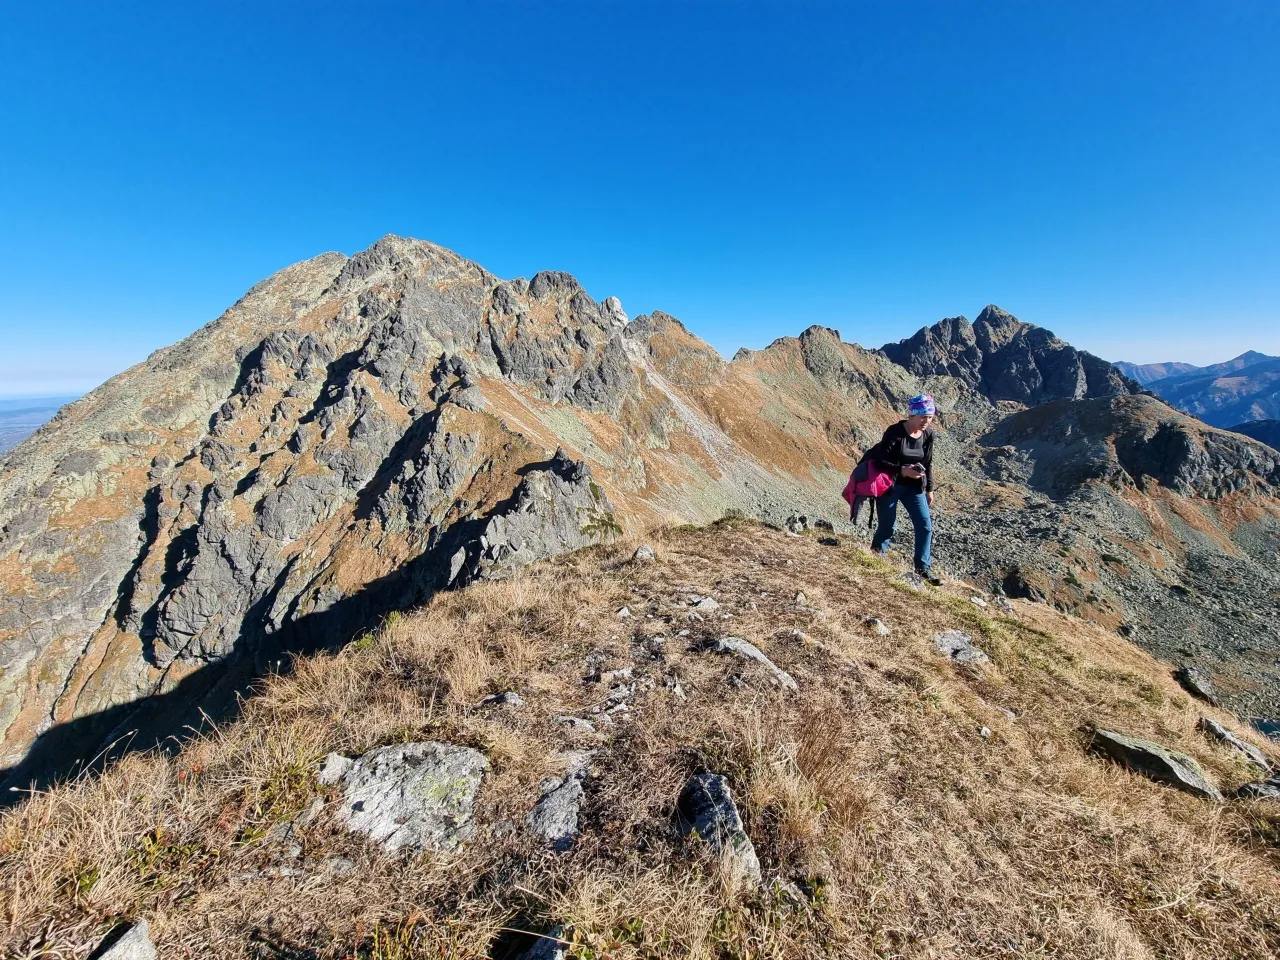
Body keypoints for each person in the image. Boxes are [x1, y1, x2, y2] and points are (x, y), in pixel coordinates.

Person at [867, 394, 942, 585]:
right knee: (888, 526)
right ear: (912, 415)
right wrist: (903, 470)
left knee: (925, 526)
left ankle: (922, 569)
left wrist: (929, 489)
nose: (927, 421)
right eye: (923, 417)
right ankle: (875, 560)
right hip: (890, 486)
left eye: (930, 417)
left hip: (914, 487)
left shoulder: (928, 435)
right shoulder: (894, 432)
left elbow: (929, 463)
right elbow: (880, 461)